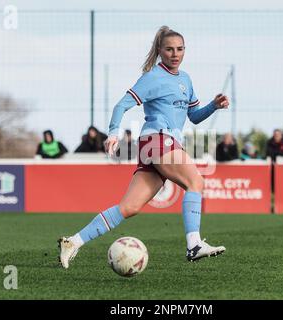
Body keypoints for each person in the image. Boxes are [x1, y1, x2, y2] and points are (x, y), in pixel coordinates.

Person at [58, 26, 230, 268]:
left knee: (129, 208)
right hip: (158, 140)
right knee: (196, 182)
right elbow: (121, 105)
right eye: (169, 49)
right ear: (160, 51)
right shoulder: (152, 77)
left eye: (180, 49)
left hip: (158, 145)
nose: (175, 54)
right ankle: (194, 245)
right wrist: (114, 133)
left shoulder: (186, 79)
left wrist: (213, 105)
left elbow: (194, 115)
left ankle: (73, 242)